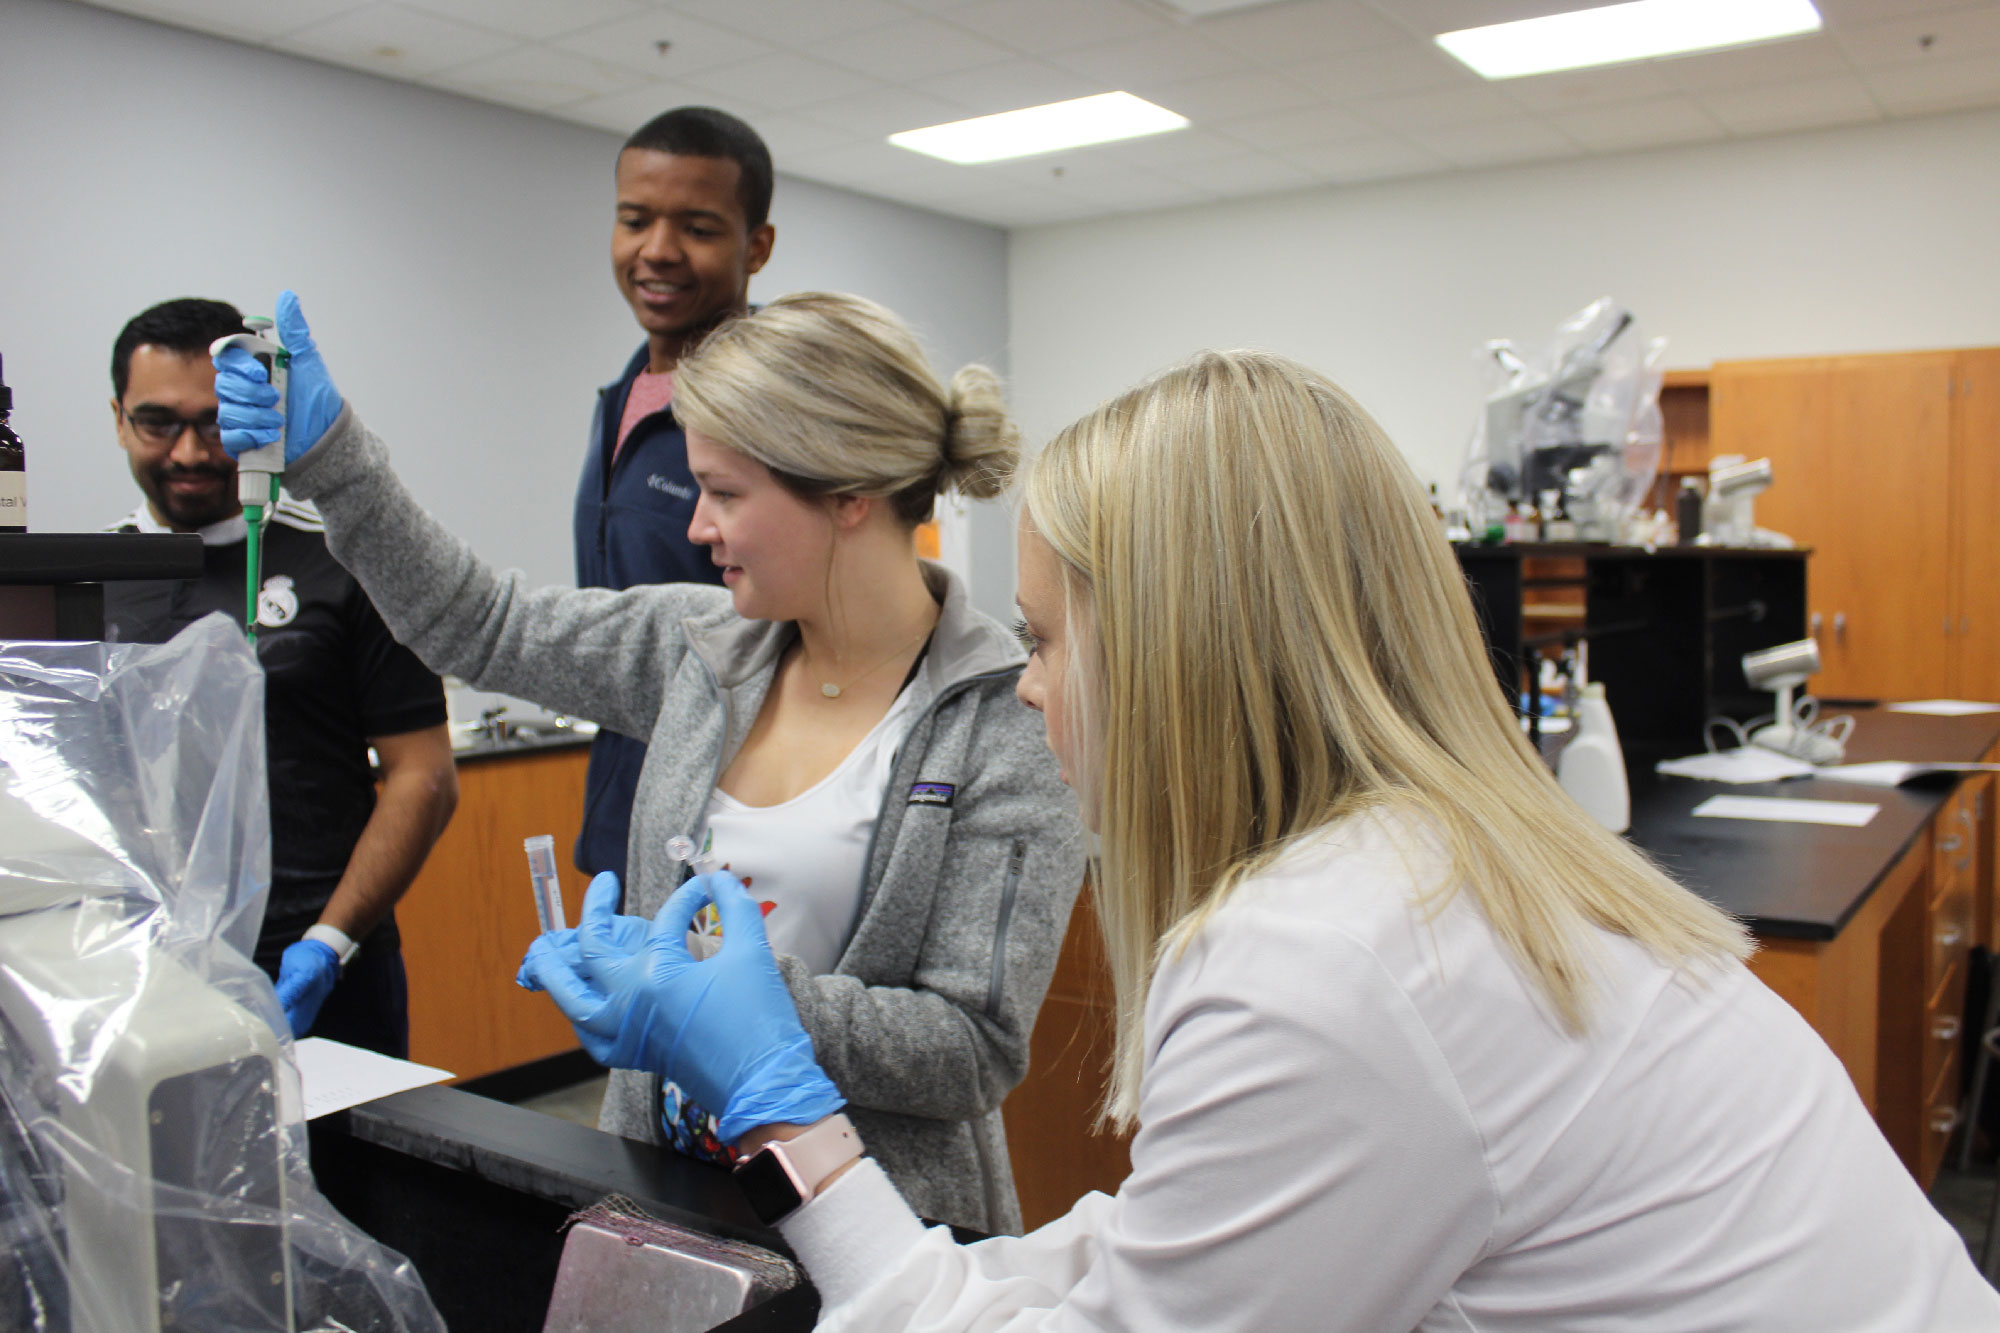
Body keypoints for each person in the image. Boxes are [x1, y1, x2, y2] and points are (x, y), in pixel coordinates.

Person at [516, 350, 2000, 1329]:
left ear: (1177, 651)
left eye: (1042, 640)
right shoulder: (1451, 857)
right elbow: (1186, 1247)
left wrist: (788, 1111)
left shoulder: (1322, 958)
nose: (1024, 688)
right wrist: (992, 1265)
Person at [212, 289, 1085, 1235]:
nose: (699, 526)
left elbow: (968, 1047)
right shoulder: (697, 645)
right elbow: (476, 620)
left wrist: (716, 1006)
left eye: (726, 491)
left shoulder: (1004, 716)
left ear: (846, 494)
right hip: (666, 1202)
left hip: (883, 1233)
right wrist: (334, 461)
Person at [103, 297, 457, 1058]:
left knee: (349, 1176)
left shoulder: (339, 564)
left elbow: (423, 775)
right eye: (159, 422)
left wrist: (330, 942)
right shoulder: (83, 582)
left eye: (215, 423)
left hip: (327, 965)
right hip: (150, 971)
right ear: (118, 417)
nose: (192, 453)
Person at [575, 106, 776, 883]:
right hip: (618, 823)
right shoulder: (623, 398)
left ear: (755, 246)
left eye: (696, 226)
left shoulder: (775, 416)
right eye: (635, 220)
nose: (656, 251)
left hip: (726, 847)